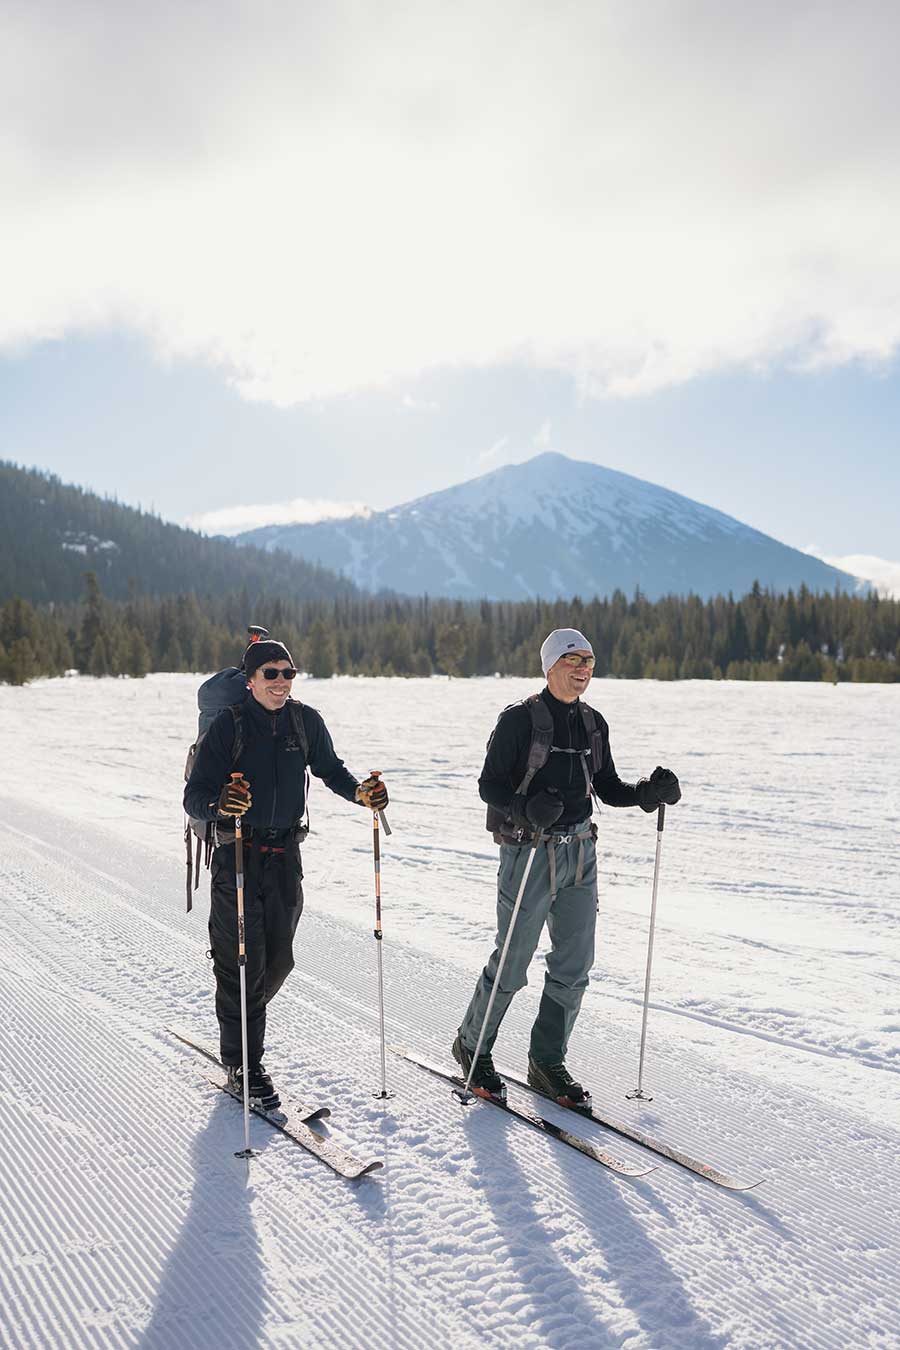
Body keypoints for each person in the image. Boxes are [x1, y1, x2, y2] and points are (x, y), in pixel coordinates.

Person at [453, 627, 681, 1106]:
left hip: (581, 853)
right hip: (529, 851)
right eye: (573, 660)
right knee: (512, 961)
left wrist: (646, 793)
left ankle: (546, 1061)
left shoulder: (593, 723)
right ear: (550, 665)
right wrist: (525, 807)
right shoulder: (519, 720)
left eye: (589, 662)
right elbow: (489, 785)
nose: (582, 670)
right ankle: (472, 1046)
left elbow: (608, 786)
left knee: (574, 965)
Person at [184, 637, 388, 1108]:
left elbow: (331, 769)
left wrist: (361, 793)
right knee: (242, 963)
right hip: (237, 855)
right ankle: (244, 1065)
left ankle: (242, 1017)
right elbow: (195, 795)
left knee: (277, 961)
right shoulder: (229, 727)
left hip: (285, 857)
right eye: (270, 674)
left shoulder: (304, 721)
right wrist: (220, 804)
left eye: (287, 673)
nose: (280, 682)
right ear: (250, 680)